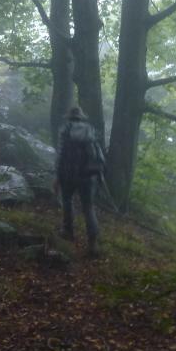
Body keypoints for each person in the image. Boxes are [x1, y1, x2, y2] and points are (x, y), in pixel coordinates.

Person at [55, 106, 105, 256]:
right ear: (81, 117)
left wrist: (57, 176)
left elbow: (60, 154)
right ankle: (93, 243)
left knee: (67, 201)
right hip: (88, 175)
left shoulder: (65, 129)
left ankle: (68, 231)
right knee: (88, 207)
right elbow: (97, 154)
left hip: (68, 173)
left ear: (69, 117)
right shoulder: (90, 130)